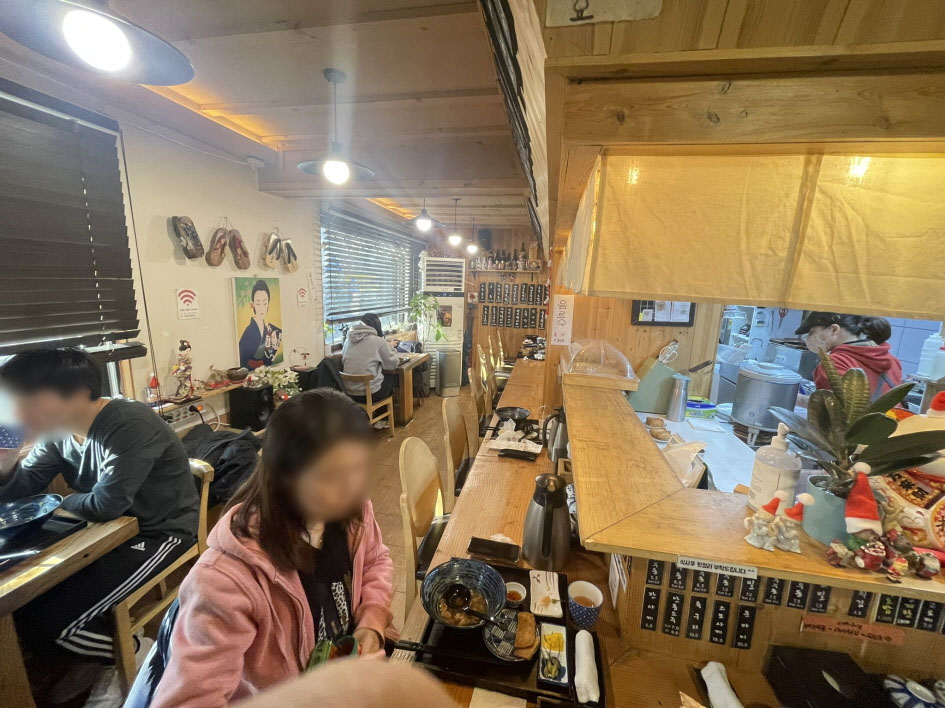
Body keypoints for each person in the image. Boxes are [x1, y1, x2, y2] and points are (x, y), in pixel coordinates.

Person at [151, 388, 393, 708]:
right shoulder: (226, 580)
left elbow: (376, 561)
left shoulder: (352, 513)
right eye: (329, 475)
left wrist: (372, 624)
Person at [0, 348, 198, 704]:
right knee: (29, 608)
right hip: (106, 534)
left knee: (56, 625)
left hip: (160, 532)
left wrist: (58, 502)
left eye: (30, 400)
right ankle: (98, 657)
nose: (19, 412)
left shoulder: (128, 423)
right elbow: (25, 488)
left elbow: (107, 505)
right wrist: (7, 460)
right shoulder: (58, 432)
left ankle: (136, 655)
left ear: (78, 393)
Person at [796, 311, 903, 399]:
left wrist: (798, 399)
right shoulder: (892, 360)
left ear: (833, 329)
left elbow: (833, 410)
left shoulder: (833, 363)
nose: (808, 338)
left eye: (812, 332)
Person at [341, 313, 400, 421]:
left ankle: (372, 417)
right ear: (377, 326)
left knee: (379, 379)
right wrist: (392, 348)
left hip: (348, 392)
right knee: (393, 378)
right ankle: (381, 420)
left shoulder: (348, 340)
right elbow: (392, 364)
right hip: (370, 394)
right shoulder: (379, 341)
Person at [238, 280, 282, 370]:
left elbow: (268, 360)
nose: (261, 308)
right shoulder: (249, 332)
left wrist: (274, 346)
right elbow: (242, 361)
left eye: (265, 303)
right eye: (258, 303)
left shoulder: (269, 330)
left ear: (268, 303)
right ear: (253, 304)